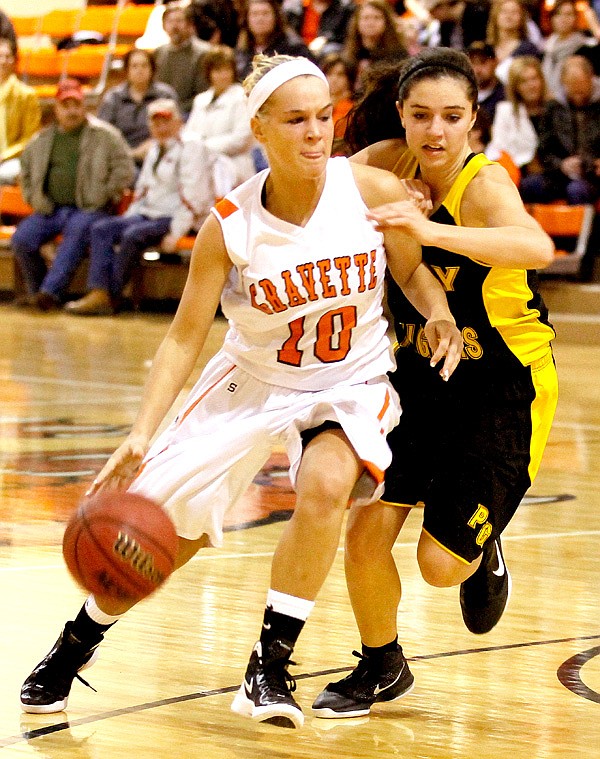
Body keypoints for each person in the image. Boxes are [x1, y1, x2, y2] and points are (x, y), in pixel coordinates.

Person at [19, 54, 462, 728]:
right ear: (260, 128)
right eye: (296, 121)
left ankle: (269, 666)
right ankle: (75, 642)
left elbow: (411, 270)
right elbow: (182, 336)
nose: (315, 133)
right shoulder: (230, 226)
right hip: (249, 381)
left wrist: (437, 312)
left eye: (323, 118)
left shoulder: (367, 190)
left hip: (349, 380)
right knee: (161, 535)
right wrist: (142, 432)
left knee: (325, 485)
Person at [311, 47, 559, 719]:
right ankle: (382, 663)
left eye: (452, 116)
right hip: (418, 375)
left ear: (474, 118)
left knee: (439, 565)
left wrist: (426, 229)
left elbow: (538, 247)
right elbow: (321, 183)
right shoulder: (389, 161)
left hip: (502, 387)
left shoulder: (484, 184)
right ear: (401, 114)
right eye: (421, 115)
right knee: (363, 536)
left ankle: (483, 545)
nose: (436, 132)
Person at [64, 98, 224, 316]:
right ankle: (99, 291)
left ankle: (112, 296)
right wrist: (130, 215)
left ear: (178, 122)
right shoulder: (154, 149)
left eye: (166, 122)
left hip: (173, 217)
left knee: (132, 235)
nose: (161, 128)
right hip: (147, 214)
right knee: (102, 228)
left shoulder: (191, 147)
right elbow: (142, 190)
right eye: (155, 123)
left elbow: (195, 195)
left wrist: (177, 231)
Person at [12, 79, 134, 312]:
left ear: (84, 107)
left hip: (90, 208)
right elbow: (25, 173)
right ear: (56, 109)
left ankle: (50, 294)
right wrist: (34, 198)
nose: (72, 111)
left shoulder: (106, 136)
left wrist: (106, 194)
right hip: (51, 209)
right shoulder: (41, 140)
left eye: (76, 105)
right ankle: (37, 291)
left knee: (77, 232)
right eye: (65, 105)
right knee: (22, 239)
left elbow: (124, 169)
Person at [520, 54, 600, 205]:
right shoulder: (553, 107)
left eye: (581, 90)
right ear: (564, 83)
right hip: (560, 174)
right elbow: (544, 150)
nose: (578, 97)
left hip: (593, 177)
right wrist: (561, 165)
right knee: (528, 185)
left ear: (591, 79)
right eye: (573, 91)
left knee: (577, 190)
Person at [183, 45, 255, 186]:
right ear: (209, 73)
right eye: (217, 70)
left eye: (227, 70)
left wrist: (203, 148)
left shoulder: (242, 98)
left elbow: (240, 139)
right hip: (202, 168)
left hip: (235, 169)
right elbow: (188, 135)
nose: (223, 75)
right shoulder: (201, 100)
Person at [97, 48, 178, 171]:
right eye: (134, 66)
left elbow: (176, 129)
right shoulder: (113, 97)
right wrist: (131, 153)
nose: (139, 70)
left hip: (161, 155)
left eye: (144, 66)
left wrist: (155, 145)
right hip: (121, 158)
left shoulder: (165, 95)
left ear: (152, 69)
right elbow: (103, 134)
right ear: (127, 71)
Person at [486, 56, 547, 182]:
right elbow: (499, 147)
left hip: (550, 171)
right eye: (524, 81)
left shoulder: (554, 109)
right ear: (515, 87)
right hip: (518, 172)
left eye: (534, 79)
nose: (531, 85)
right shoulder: (505, 111)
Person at [154, 1, 213, 116]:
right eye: (170, 21)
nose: (174, 26)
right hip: (162, 113)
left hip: (192, 112)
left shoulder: (204, 53)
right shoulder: (158, 53)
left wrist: (175, 112)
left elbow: (204, 93)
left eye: (179, 21)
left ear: (189, 25)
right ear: (164, 26)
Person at [235, 0, 312, 81]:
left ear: (276, 17)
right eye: (255, 14)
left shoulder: (293, 47)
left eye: (265, 13)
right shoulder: (242, 48)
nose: (260, 19)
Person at [0, 37, 41, 186]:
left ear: (14, 61)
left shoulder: (26, 95)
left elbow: (31, 138)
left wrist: (4, 155)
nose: (3, 61)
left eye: (7, 57)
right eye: (0, 57)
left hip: (14, 159)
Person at [342, 0, 408, 90]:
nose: (370, 23)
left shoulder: (398, 54)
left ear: (386, 22)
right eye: (366, 18)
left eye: (377, 18)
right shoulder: (349, 54)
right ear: (357, 22)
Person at [542, 0, 596, 99]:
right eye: (558, 14)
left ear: (575, 18)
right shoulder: (546, 47)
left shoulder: (586, 48)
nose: (563, 19)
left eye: (568, 14)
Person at [486, 0, 542, 85]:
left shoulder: (528, 49)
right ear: (495, 15)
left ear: (522, 17)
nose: (509, 16)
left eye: (514, 12)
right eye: (504, 11)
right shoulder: (486, 48)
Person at [283, 0, 353, 58]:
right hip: (300, 50)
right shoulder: (295, 8)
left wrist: (324, 40)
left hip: (327, 53)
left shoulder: (344, 9)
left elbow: (343, 37)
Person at [467, 40, 505, 121]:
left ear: (495, 62)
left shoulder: (506, 95)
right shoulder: (462, 95)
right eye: (473, 63)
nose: (477, 69)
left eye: (482, 62)